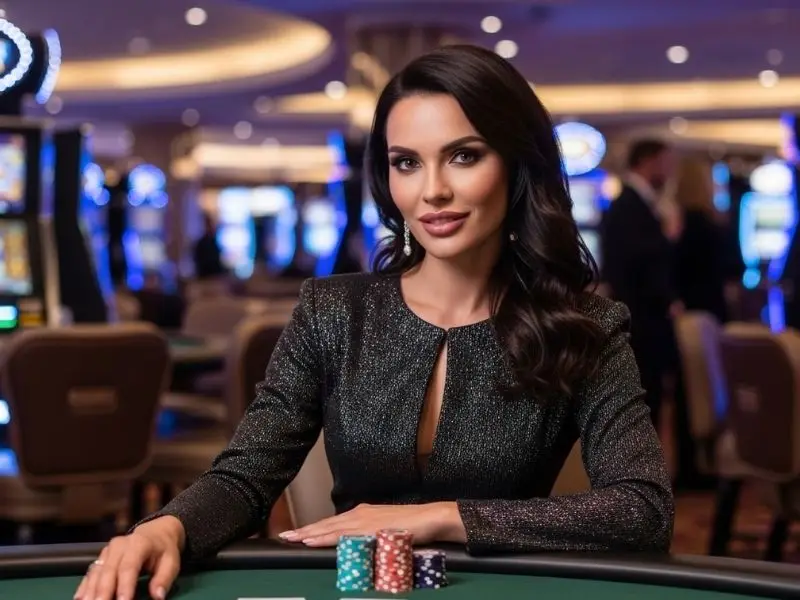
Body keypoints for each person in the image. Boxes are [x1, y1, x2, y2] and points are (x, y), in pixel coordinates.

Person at [74, 45, 674, 600]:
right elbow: (247, 475)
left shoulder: (586, 326)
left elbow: (643, 510)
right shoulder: (333, 311)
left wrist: (439, 518)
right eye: (406, 163)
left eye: (464, 156)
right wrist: (169, 527)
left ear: (518, 165)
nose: (432, 191)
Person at [601, 139, 681, 430]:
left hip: (642, 321)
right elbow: (637, 262)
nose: (670, 170)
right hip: (641, 324)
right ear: (647, 162)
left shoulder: (638, 203)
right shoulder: (628, 205)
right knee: (644, 408)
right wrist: (668, 237)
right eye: (665, 162)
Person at [672, 157, 743, 323]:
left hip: (683, 309)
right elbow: (735, 268)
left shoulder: (673, 226)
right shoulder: (713, 226)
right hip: (710, 308)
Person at [192, 213, 226, 279]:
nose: (213, 227)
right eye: (211, 224)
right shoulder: (203, 243)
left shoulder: (214, 241)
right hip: (207, 278)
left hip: (215, 277)